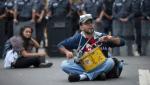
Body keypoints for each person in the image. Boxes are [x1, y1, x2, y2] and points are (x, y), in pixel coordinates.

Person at [57, 14, 125, 82]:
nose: (90, 25)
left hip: (100, 65)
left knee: (110, 62)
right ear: (81, 27)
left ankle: (82, 77)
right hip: (84, 67)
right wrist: (67, 52)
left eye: (91, 23)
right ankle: (97, 75)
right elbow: (60, 45)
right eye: (86, 23)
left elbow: (122, 42)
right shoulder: (77, 38)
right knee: (64, 65)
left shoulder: (101, 36)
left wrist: (110, 39)